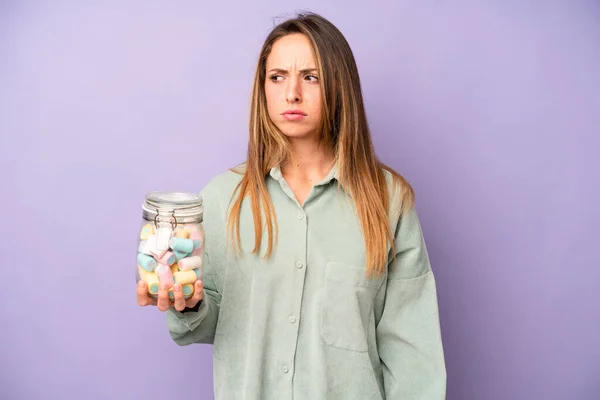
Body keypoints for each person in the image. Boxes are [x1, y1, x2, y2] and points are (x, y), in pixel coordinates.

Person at [137, 11, 446, 400]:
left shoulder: (389, 201)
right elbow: (210, 323)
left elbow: (412, 351)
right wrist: (187, 304)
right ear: (262, 88)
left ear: (339, 86)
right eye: (277, 76)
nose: (292, 93)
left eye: (311, 77)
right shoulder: (221, 198)